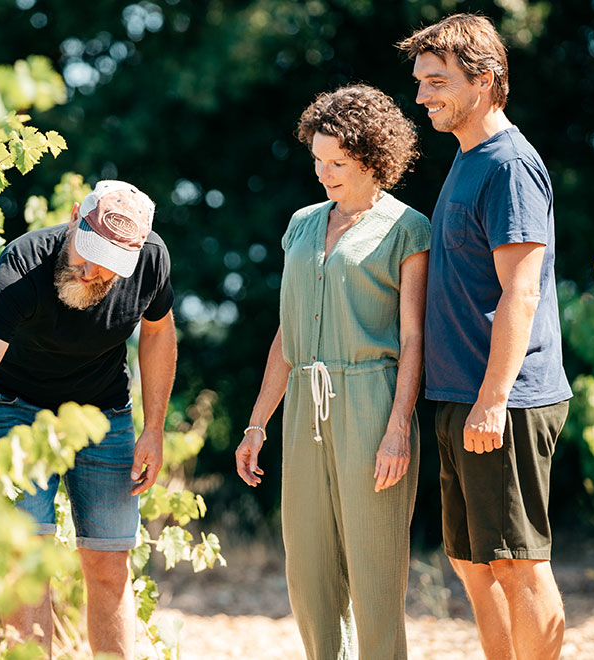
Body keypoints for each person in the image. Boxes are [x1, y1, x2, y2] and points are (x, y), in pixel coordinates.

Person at [397, 14, 574, 660]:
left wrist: (493, 399)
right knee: (473, 561)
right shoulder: (469, 160)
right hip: (458, 395)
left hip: (505, 401)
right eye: (419, 82)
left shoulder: (509, 166)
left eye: (436, 81)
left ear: (485, 80)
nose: (421, 97)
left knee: (518, 563)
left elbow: (521, 292)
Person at [0, 180, 177, 659]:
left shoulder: (150, 260)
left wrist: (154, 429)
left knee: (110, 564)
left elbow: (157, 334)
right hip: (16, 408)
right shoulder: (22, 265)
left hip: (103, 413)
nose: (90, 271)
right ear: (74, 216)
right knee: (25, 564)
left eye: (107, 265)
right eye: (86, 252)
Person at [234, 84, 430, 659]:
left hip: (372, 403)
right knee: (309, 573)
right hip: (302, 406)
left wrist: (398, 427)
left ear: (373, 159)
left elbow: (413, 336)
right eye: (317, 160)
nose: (323, 173)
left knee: (374, 578)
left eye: (337, 163)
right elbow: (286, 333)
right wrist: (255, 424)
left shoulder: (406, 228)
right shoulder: (300, 224)